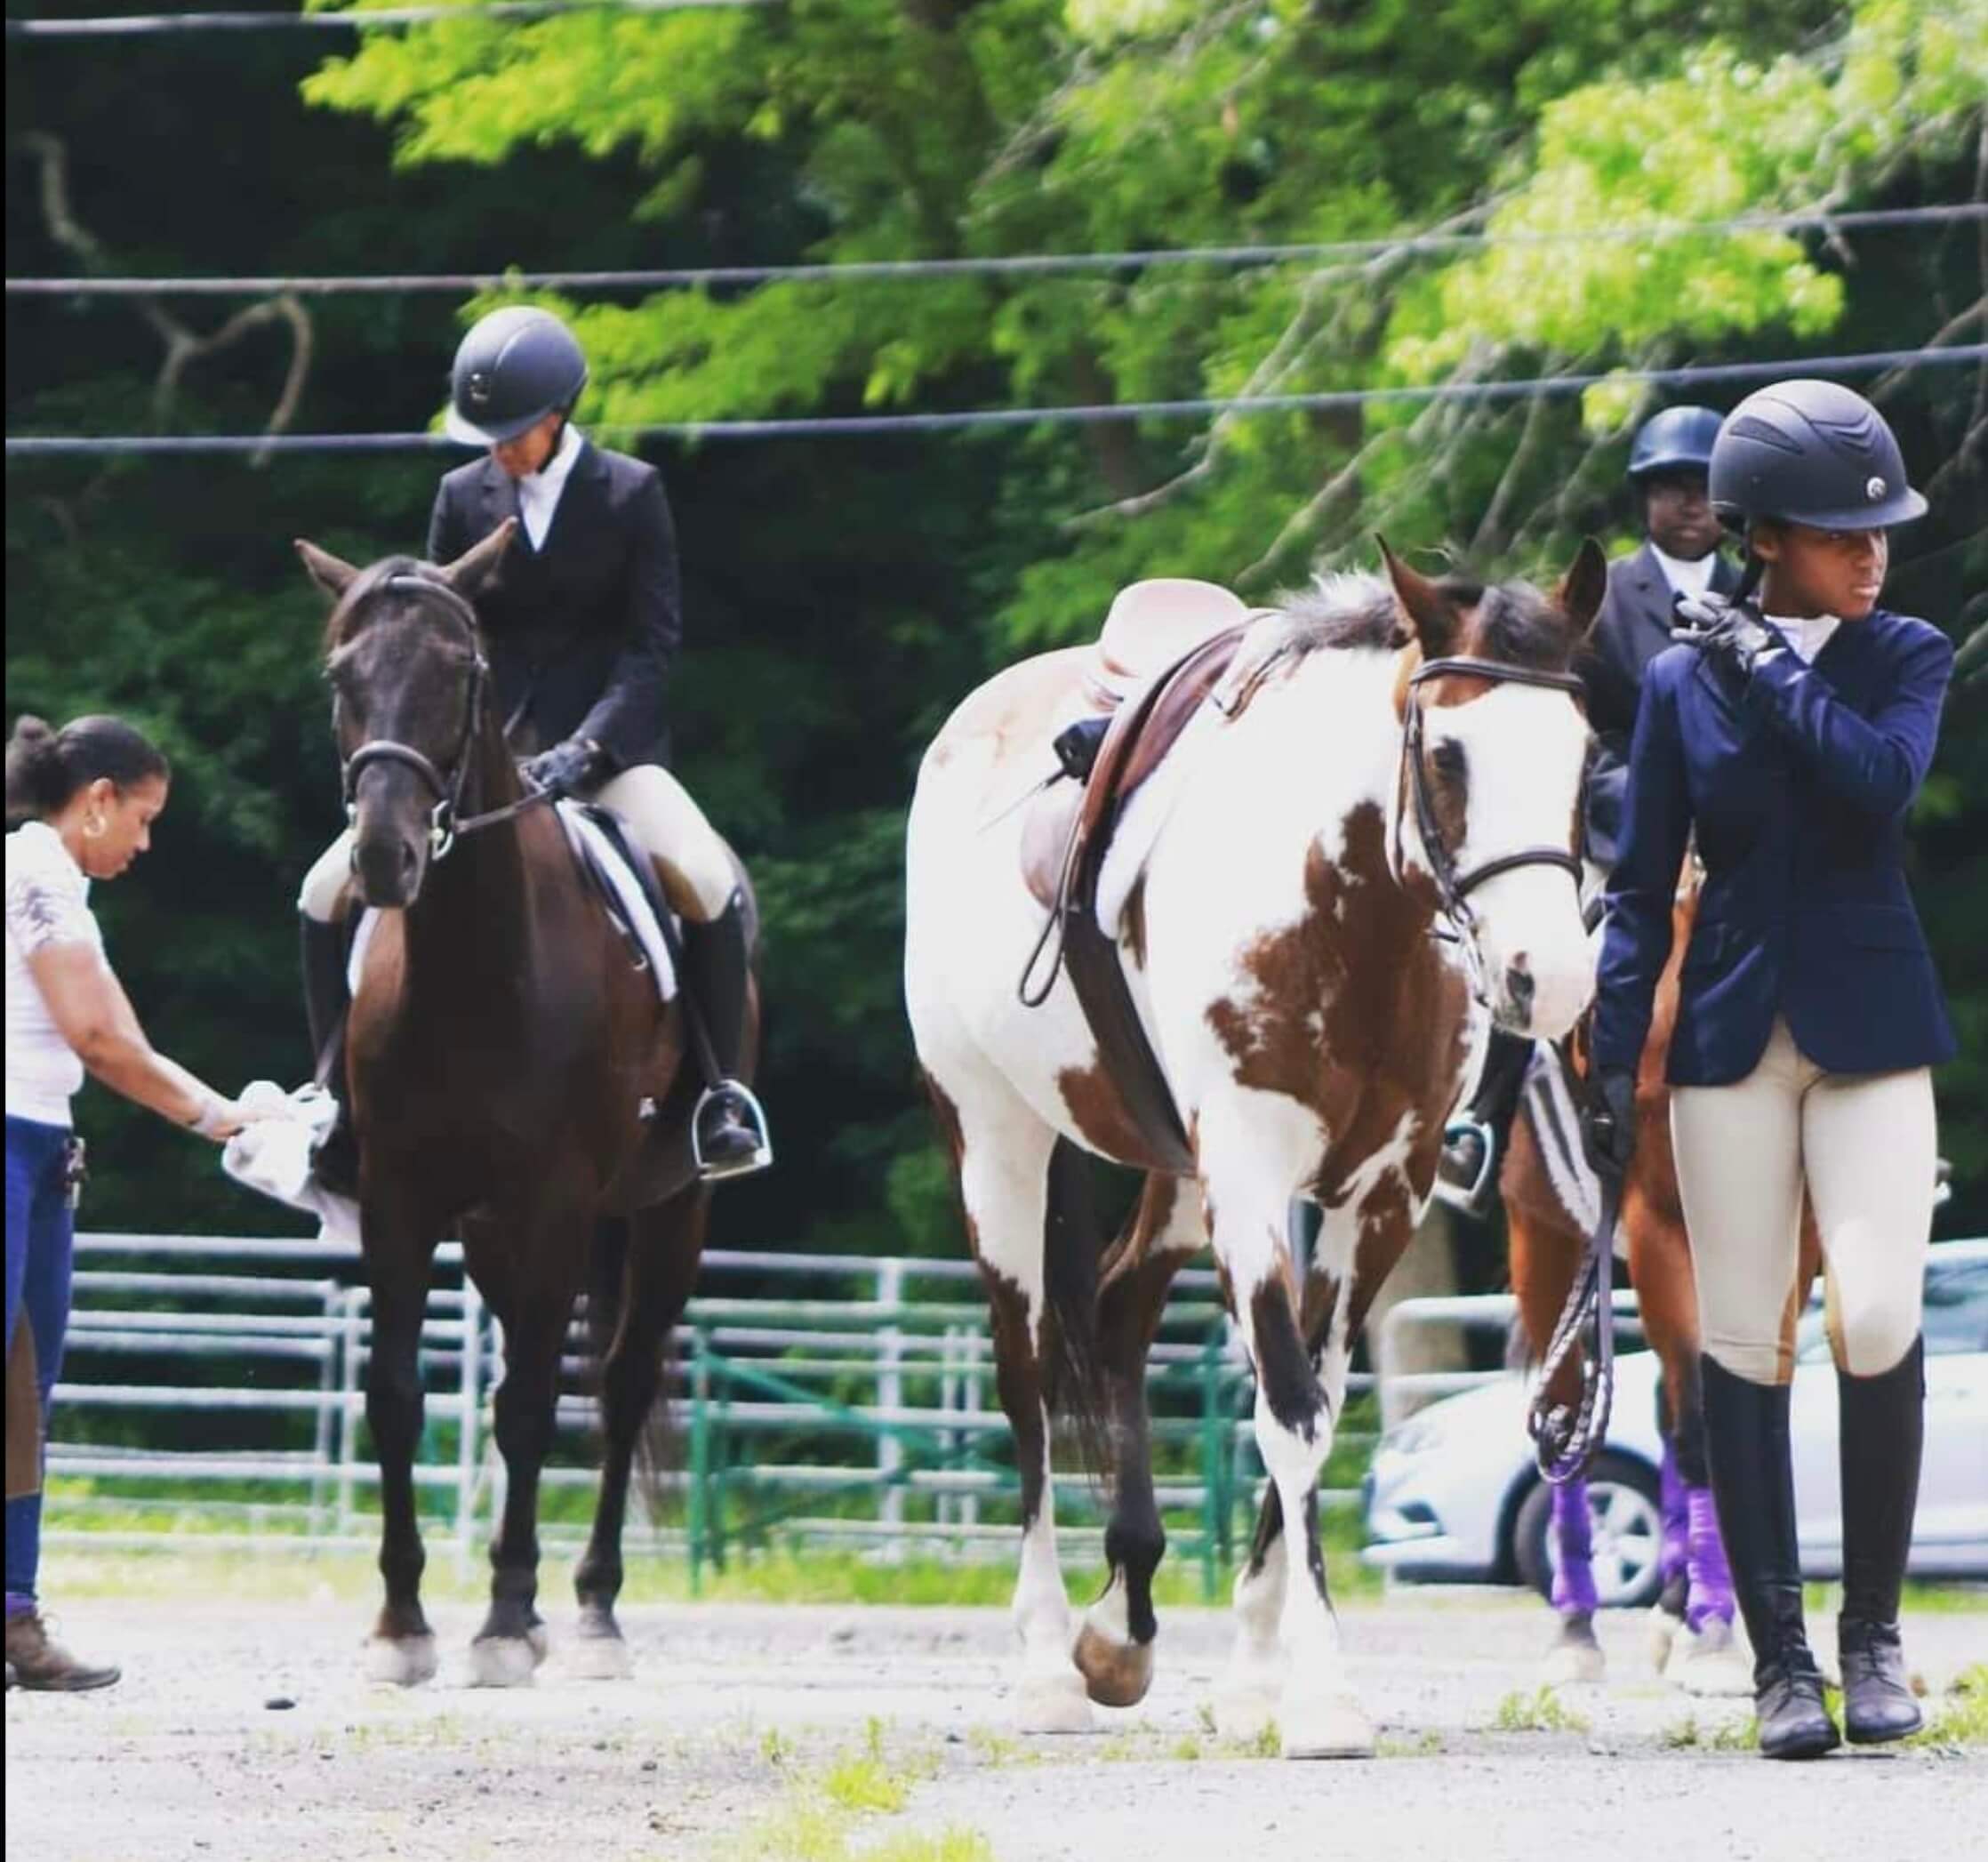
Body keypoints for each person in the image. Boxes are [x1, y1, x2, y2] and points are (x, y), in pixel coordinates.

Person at [1585, 380, 1952, 1760]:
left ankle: (1872, 1637)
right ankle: (1779, 1661)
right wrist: (1615, 1052)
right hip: (1732, 1037)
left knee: (1871, 1310)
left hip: (1871, 1026)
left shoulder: (1906, 652)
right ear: (1763, 535)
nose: (1871, 555)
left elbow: (1873, 784)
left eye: (1878, 533)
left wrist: (1766, 659)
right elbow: (1636, 888)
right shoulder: (1680, 683)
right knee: (1740, 1336)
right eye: (1840, 535)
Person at [296, 305, 770, 1184]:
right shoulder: (460, 496)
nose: (498, 451)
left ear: (559, 414)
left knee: (706, 880)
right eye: (488, 436)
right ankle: (329, 1095)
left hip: (612, 756)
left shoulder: (631, 494)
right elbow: (437, 638)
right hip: (479, 760)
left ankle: (719, 1097)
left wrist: (588, 751)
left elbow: (650, 648)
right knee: (323, 889)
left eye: (512, 433)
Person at [5, 715, 264, 1690]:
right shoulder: (30, 874)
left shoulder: (63, 887)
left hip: (36, 1149)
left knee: (22, 1402)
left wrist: (236, 1113)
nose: (147, 845)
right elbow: (99, 1044)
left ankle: (12, 1613)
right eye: (144, 819)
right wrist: (218, 1124)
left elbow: (123, 1029)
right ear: (98, 800)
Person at [1437, 404, 1735, 1209]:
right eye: (1671, 488)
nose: (1691, 503)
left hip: (1745, 834)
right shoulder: (1599, 604)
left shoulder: (1763, 596)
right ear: (1645, 499)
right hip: (1623, 827)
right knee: (1541, 950)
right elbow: (1580, 736)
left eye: (1705, 487)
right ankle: (1480, 1121)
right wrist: (1653, 803)